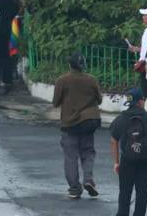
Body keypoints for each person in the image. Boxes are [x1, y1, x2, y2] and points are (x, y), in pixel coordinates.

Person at [52, 52, 102, 199]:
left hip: (70, 123)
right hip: (89, 121)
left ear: (69, 65)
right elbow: (99, 100)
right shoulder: (91, 80)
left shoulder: (62, 80)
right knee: (88, 152)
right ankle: (88, 180)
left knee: (70, 156)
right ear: (83, 65)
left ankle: (74, 188)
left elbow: (55, 102)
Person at [111, 87, 147, 216]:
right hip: (146, 162)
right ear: (140, 101)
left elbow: (114, 141)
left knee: (125, 193)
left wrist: (116, 162)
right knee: (142, 194)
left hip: (127, 161)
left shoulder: (121, 118)